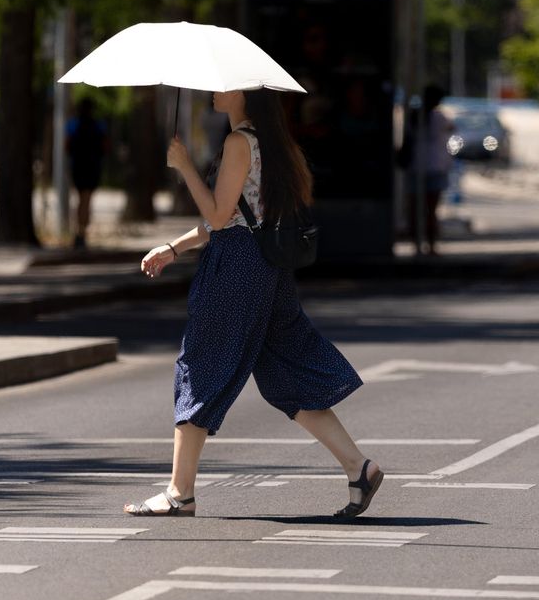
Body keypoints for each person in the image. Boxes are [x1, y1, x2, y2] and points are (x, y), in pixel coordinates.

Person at [125, 88, 382, 519]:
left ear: (243, 93)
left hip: (237, 267)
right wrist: (174, 247)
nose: (213, 91)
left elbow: (223, 217)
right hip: (267, 267)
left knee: (201, 364)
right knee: (284, 370)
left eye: (223, 86)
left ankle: (178, 492)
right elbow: (237, 218)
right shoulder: (269, 142)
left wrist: (185, 166)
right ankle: (360, 468)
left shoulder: (238, 142)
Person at [400, 84, 454, 255]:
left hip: (416, 167)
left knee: (415, 210)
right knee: (431, 211)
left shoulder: (414, 116)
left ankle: (418, 246)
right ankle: (430, 246)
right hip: (435, 167)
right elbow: (452, 129)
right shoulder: (439, 118)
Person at [65, 98, 108, 250]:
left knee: (81, 200)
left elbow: (67, 146)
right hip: (92, 167)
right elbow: (104, 147)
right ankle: (82, 232)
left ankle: (79, 231)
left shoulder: (73, 124)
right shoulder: (99, 125)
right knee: (87, 200)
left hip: (78, 166)